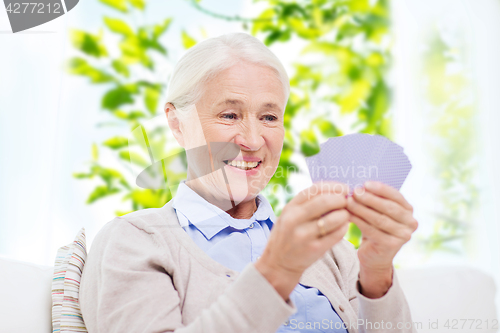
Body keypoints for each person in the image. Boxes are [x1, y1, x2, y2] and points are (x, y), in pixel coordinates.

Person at [79, 32, 418, 333]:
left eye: (269, 117)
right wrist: (277, 272)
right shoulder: (136, 240)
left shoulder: (333, 252)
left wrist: (376, 274)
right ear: (177, 124)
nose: (253, 140)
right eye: (230, 115)